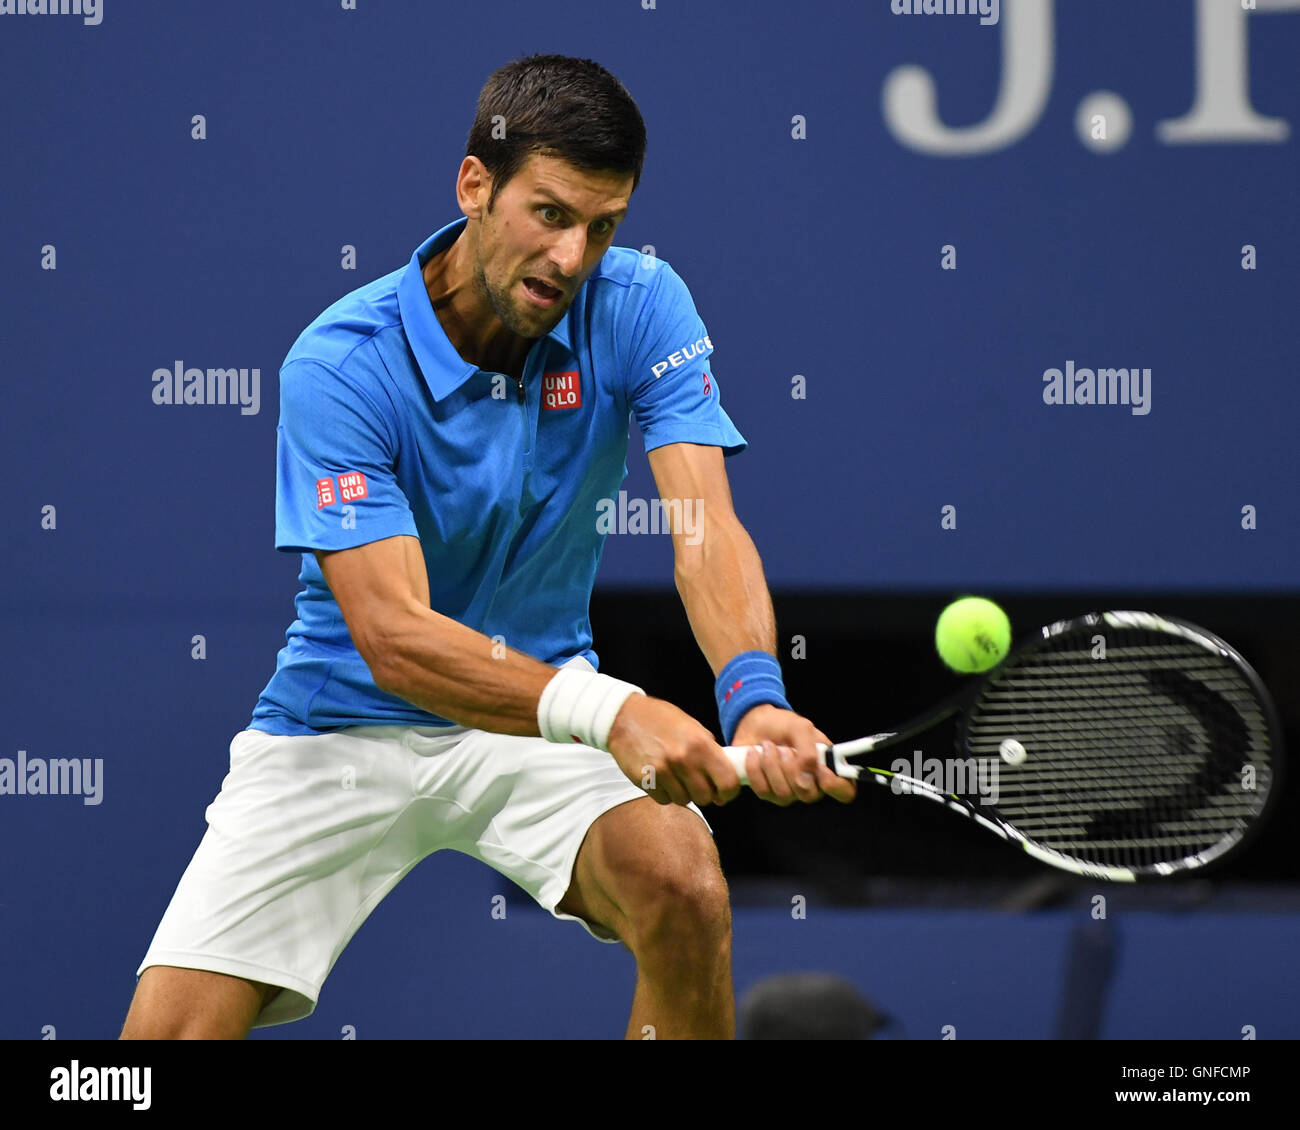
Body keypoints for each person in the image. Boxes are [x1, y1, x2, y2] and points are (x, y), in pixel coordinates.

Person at [119, 53, 854, 1042]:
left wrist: (754, 691)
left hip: (540, 726)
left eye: (603, 226)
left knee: (684, 883)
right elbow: (393, 635)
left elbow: (703, 522)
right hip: (344, 721)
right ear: (475, 186)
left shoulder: (639, 303)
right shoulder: (342, 365)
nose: (572, 257)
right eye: (549, 213)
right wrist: (614, 707)